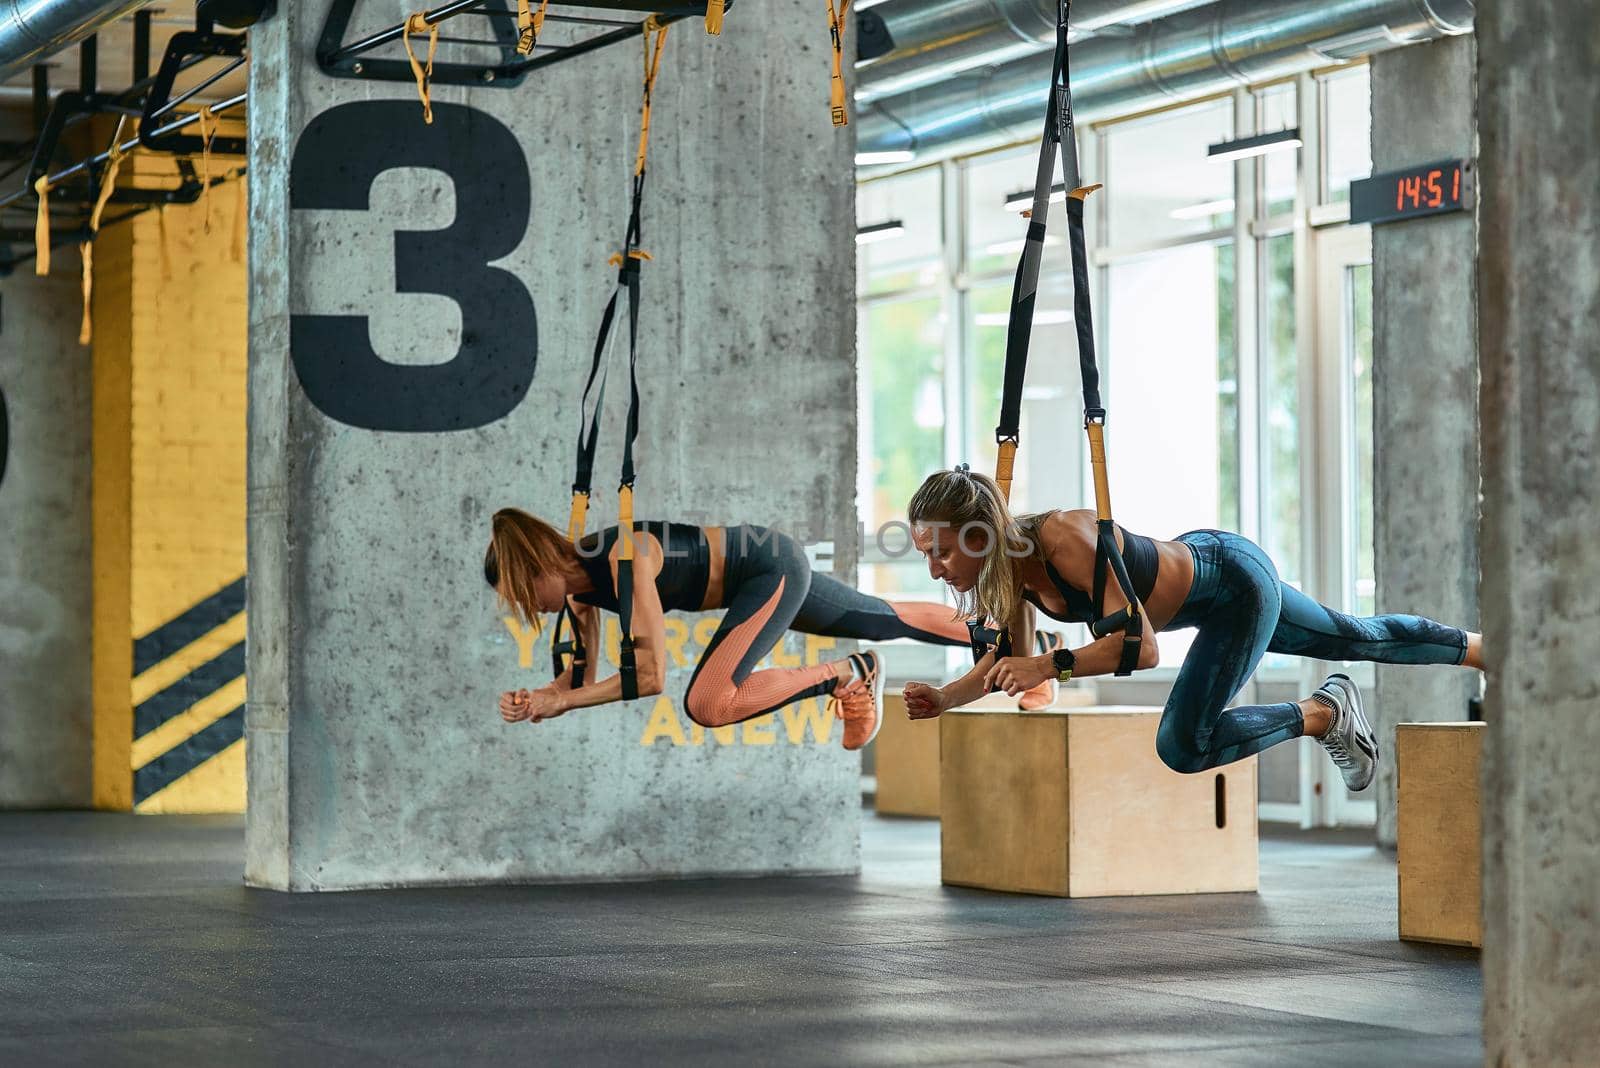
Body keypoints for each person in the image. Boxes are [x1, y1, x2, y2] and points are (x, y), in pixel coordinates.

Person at [899, 467, 1484, 789]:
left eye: (944, 552)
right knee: (1351, 636)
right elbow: (1000, 664)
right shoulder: (1005, 578)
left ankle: (1331, 710)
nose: (935, 568)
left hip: (1231, 579)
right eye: (927, 553)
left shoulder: (1064, 540)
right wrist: (944, 698)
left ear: (982, 534)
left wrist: (1051, 665)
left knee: (1184, 744)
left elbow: (1142, 649)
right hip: (1210, 599)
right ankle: (1338, 707)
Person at [484, 509, 1056, 749]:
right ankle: (1037, 651)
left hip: (766, 567)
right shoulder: (581, 591)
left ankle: (850, 674)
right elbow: (574, 676)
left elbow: (649, 675)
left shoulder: (621, 560)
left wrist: (564, 703)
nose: (528, 609)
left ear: (540, 568)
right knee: (882, 618)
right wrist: (543, 698)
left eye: (524, 595)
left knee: (708, 701)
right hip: (757, 575)